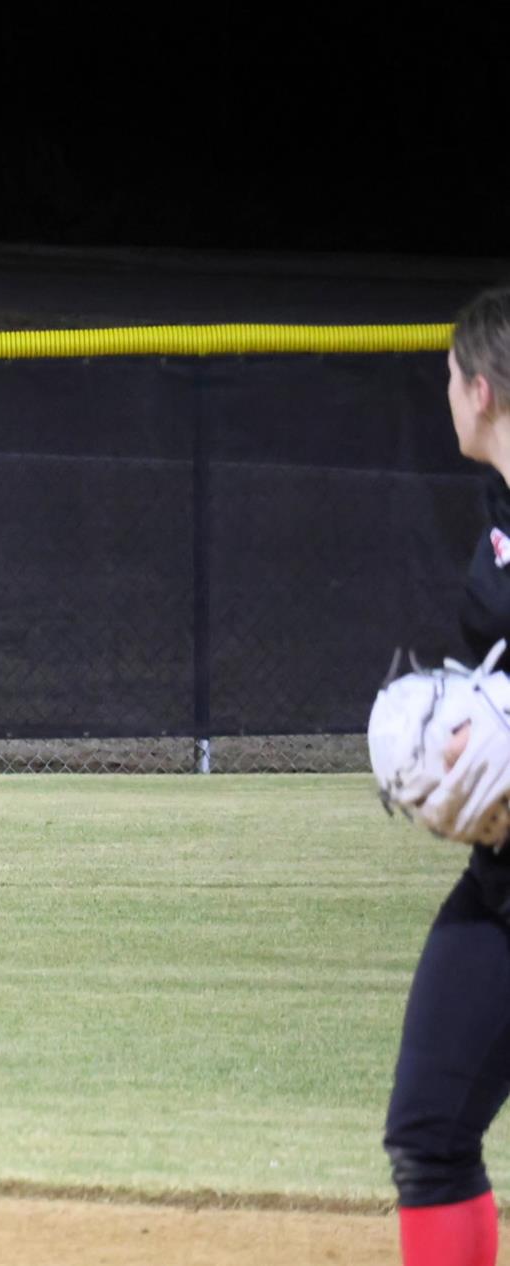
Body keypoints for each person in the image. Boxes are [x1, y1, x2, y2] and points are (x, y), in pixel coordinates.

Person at [383, 286, 510, 1266]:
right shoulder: (498, 516)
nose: (445, 399)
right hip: (502, 889)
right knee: (429, 1130)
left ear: (477, 388)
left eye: (445, 380)